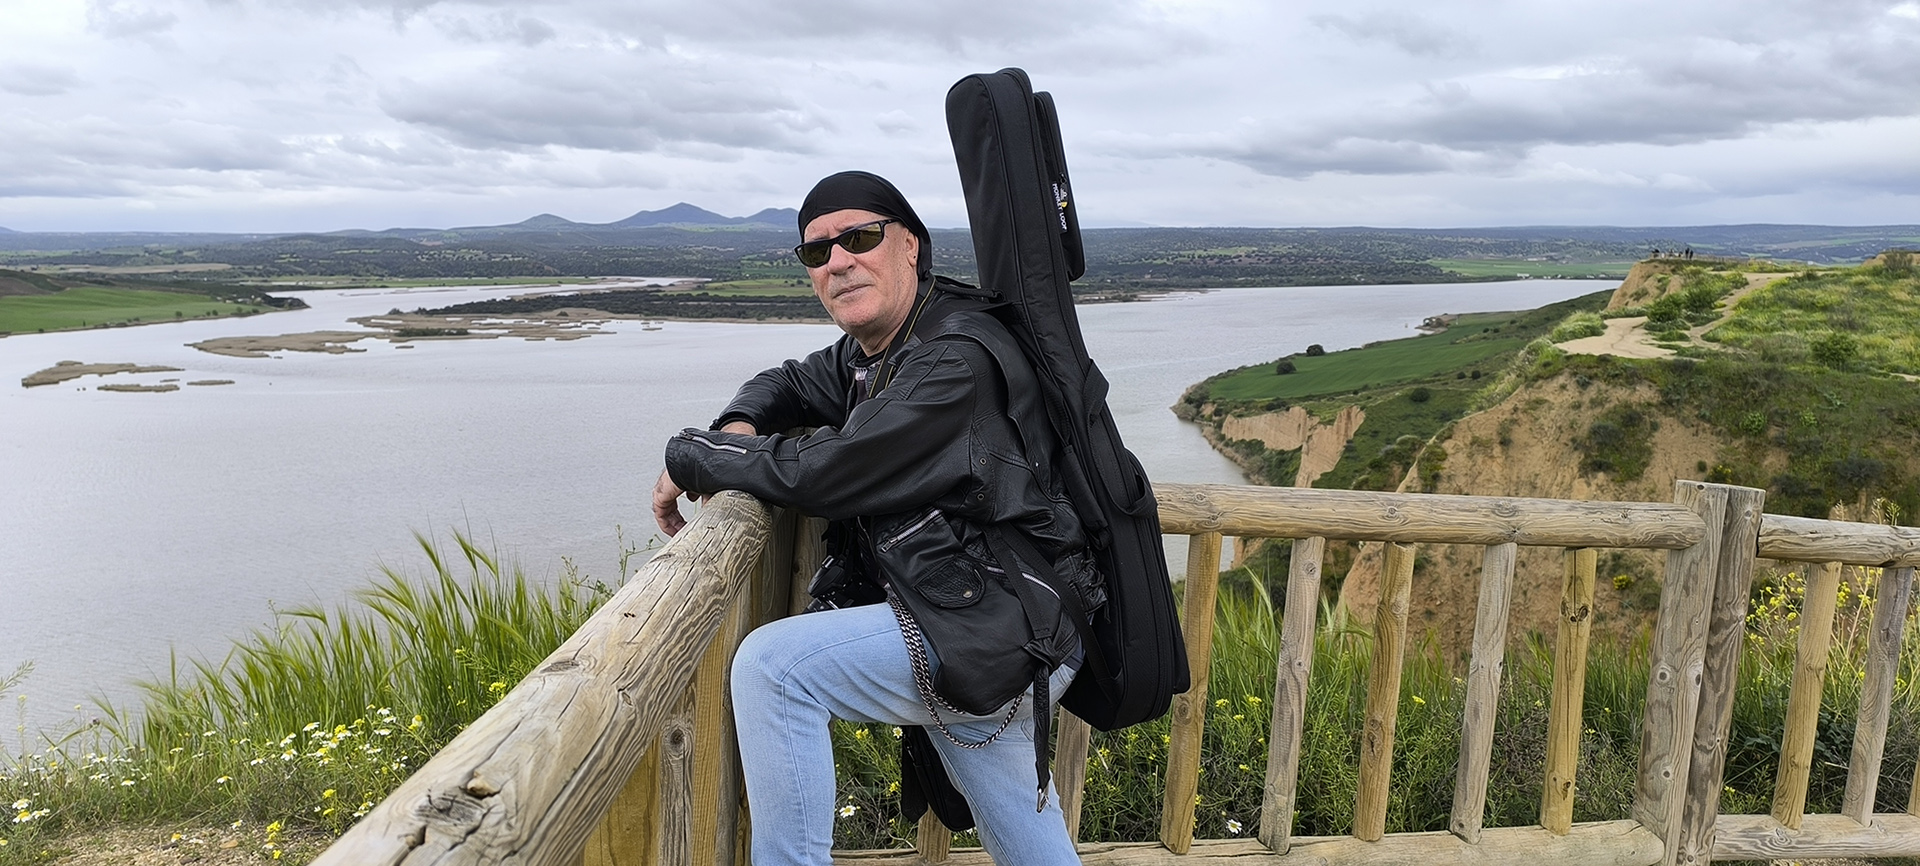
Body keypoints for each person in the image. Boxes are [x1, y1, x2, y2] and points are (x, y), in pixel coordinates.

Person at [651, 171, 1089, 866]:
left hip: (996, 627)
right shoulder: (878, 348)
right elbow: (791, 382)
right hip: (1006, 622)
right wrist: (737, 422)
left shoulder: (954, 358)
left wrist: (694, 454)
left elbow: (832, 470)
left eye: (858, 238)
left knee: (775, 668)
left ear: (910, 245)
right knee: (1032, 848)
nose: (837, 262)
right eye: (816, 253)